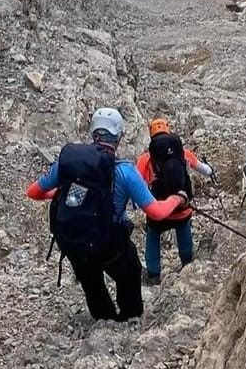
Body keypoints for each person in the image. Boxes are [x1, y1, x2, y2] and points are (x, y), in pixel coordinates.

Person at [25, 107, 188, 322]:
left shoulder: (68, 163)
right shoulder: (125, 171)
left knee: (92, 285)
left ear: (94, 133)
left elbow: (34, 192)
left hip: (74, 242)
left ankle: (105, 321)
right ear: (119, 137)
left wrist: (64, 192)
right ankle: (130, 318)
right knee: (130, 272)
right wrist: (178, 198)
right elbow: (156, 212)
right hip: (107, 243)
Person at [135, 118, 214, 285]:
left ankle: (154, 274)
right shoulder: (183, 154)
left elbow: (136, 182)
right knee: (184, 231)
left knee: (153, 236)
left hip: (158, 210)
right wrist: (210, 169)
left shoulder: (146, 159)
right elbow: (205, 170)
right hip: (182, 208)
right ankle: (187, 265)